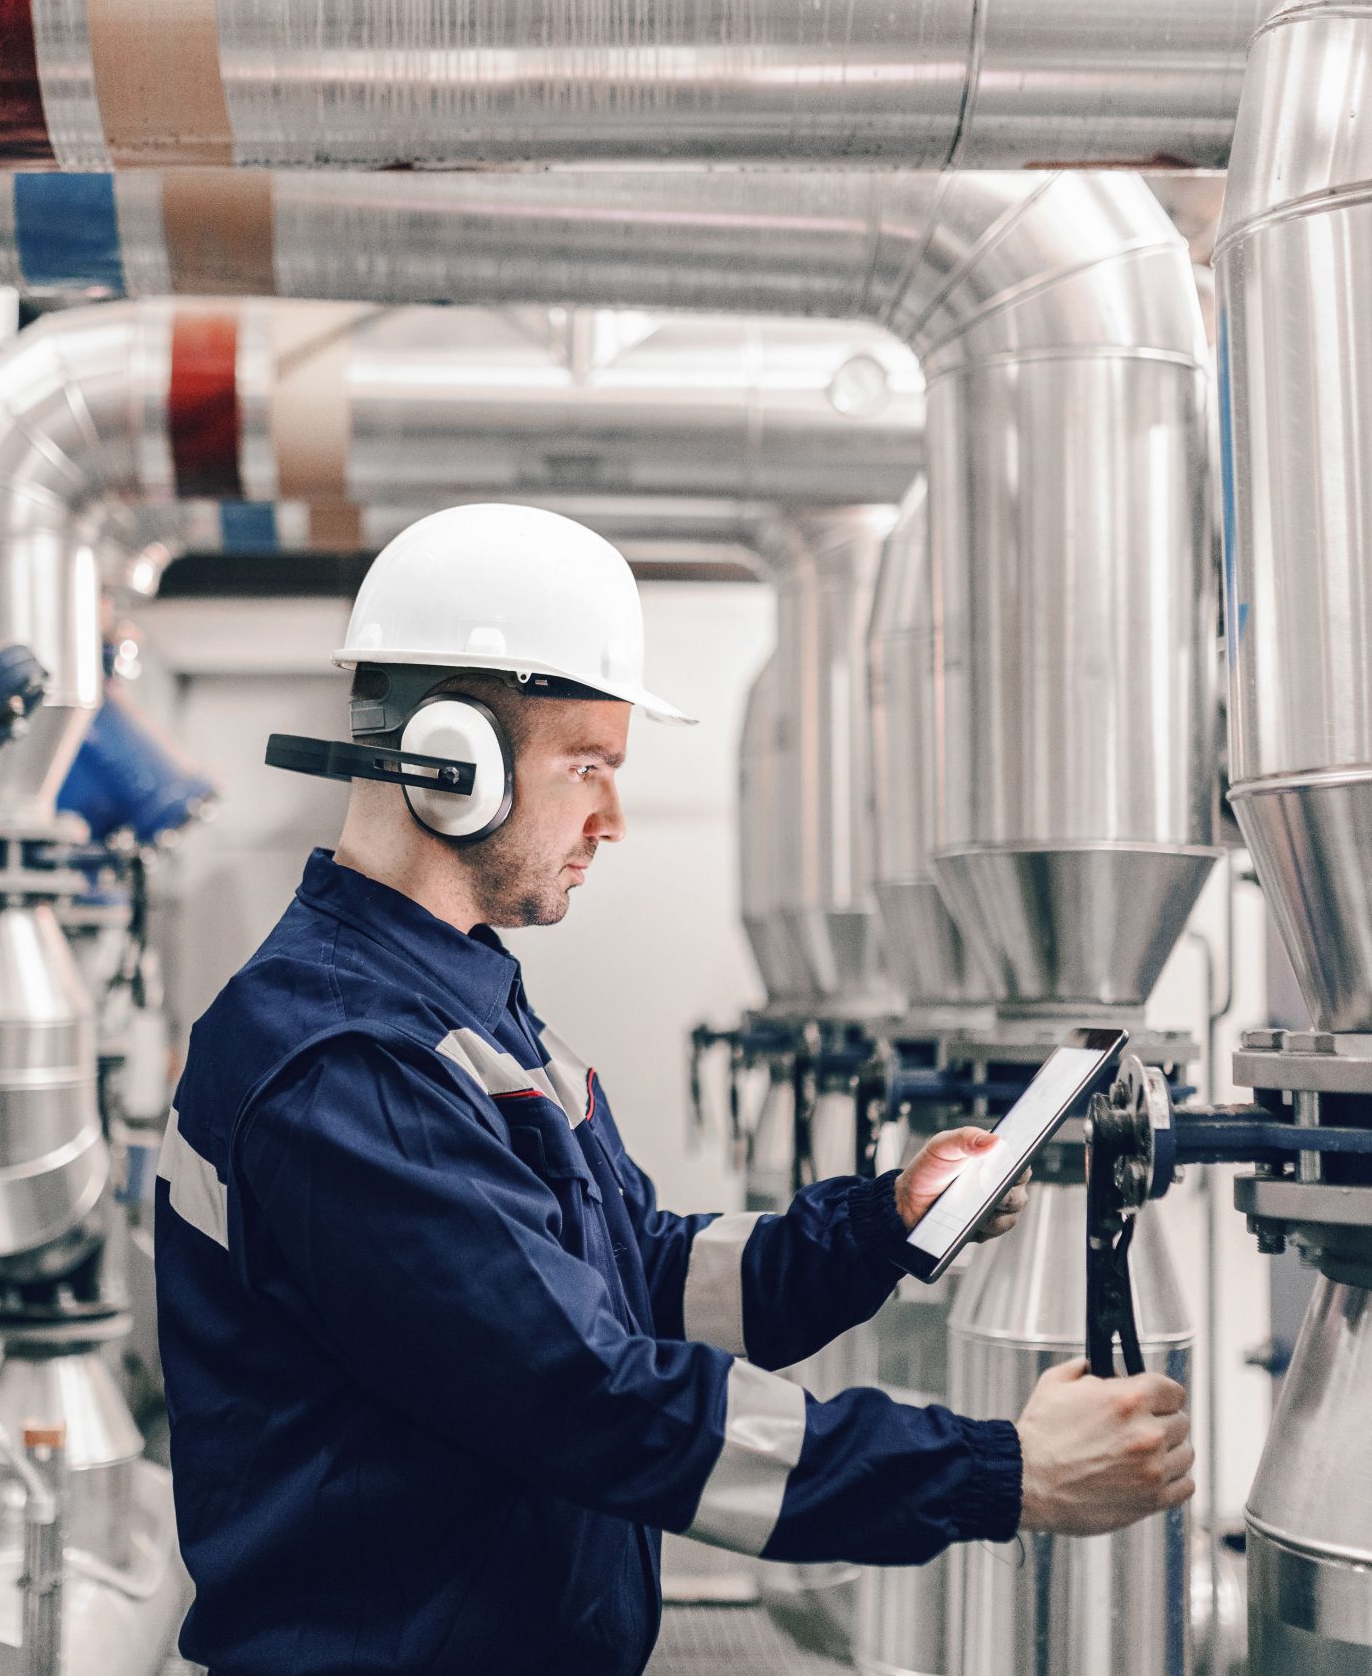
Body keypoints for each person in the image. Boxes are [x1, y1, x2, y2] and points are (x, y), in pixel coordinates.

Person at [155, 505, 1192, 1676]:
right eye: (588, 765)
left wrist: (875, 1227)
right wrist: (1002, 1471)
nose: (611, 819)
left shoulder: (455, 1002)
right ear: (452, 765)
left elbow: (633, 1281)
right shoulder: (345, 1061)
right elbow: (586, 1397)